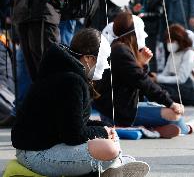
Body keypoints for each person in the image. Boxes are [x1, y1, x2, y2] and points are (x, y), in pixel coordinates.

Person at [11, 28, 149, 177]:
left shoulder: (66, 72)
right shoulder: (71, 80)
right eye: (103, 59)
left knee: (109, 141)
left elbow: (70, 120)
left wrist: (103, 127)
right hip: (35, 155)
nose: (106, 65)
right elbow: (73, 135)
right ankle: (110, 168)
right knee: (109, 149)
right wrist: (102, 132)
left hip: (41, 148)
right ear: (88, 58)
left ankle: (111, 167)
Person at [95, 12, 194, 139]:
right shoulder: (121, 51)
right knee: (174, 115)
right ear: (135, 33)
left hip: (119, 109)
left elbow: (138, 81)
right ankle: (186, 128)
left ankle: (154, 128)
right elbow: (143, 82)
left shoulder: (119, 48)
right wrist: (170, 103)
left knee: (165, 110)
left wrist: (143, 64)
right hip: (120, 113)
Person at [152, 24, 194, 106]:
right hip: (175, 87)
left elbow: (181, 79)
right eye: (167, 41)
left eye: (172, 41)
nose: (169, 43)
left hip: (189, 90)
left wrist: (158, 78)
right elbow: (165, 73)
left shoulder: (189, 54)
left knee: (162, 92)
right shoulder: (172, 54)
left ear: (179, 40)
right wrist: (154, 78)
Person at [131, 0, 164, 73]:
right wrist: (134, 10)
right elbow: (131, 9)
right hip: (136, 30)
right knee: (136, 55)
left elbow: (158, 13)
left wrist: (144, 15)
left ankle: (153, 77)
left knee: (150, 55)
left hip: (151, 30)